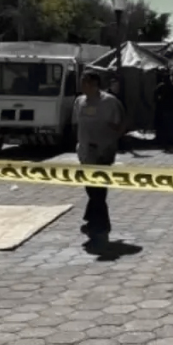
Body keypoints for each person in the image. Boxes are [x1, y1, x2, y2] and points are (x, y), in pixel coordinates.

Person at [73, 71, 126, 249]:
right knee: (91, 189)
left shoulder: (109, 102)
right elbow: (77, 124)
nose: (83, 86)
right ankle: (93, 220)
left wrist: (111, 142)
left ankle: (100, 226)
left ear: (95, 85)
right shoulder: (79, 102)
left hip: (103, 151)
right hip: (85, 152)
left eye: (86, 83)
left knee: (98, 190)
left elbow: (121, 125)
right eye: (82, 82)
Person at [154, 70, 173, 153]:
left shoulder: (160, 87)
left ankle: (165, 144)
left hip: (164, 110)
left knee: (165, 128)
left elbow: (155, 98)